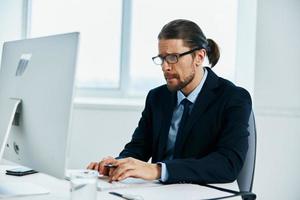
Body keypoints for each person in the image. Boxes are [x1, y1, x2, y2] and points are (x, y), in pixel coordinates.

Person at [87, 19, 252, 184]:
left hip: (202, 193)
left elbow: (228, 165)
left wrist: (159, 170)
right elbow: (138, 148)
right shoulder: (157, 97)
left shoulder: (233, 98)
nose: (165, 67)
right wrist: (117, 164)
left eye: (173, 57)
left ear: (199, 57)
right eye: (162, 58)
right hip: (159, 192)